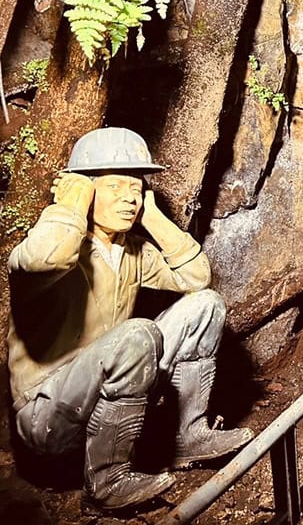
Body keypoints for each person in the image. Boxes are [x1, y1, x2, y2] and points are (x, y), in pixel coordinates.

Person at [7, 127, 253, 509]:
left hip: (111, 397)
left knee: (206, 305)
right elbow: (48, 258)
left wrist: (152, 217)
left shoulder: (131, 251)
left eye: (136, 189)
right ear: (85, 190)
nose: (129, 198)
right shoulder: (47, 247)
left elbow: (196, 277)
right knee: (137, 334)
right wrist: (71, 204)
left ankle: (188, 436)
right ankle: (107, 481)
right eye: (115, 187)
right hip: (48, 414)